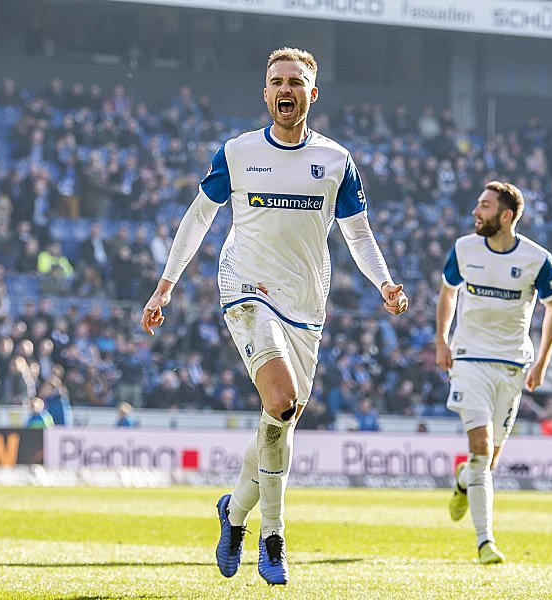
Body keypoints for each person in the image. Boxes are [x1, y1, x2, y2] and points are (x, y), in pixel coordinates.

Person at [139, 47, 408, 586]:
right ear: (265, 93)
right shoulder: (237, 153)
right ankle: (274, 535)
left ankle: (233, 513)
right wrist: (164, 287)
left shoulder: (336, 161)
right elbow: (198, 219)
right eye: (276, 81)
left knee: (279, 417)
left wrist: (384, 282)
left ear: (313, 94)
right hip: (246, 287)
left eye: (296, 81)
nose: (285, 89)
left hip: (306, 303)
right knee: (281, 400)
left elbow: (357, 233)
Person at [435, 181, 552, 564]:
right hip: (469, 359)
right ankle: (484, 541)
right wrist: (442, 339)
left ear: (506, 216)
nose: (477, 211)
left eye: (485, 206)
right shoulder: (464, 248)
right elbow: (448, 293)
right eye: (478, 204)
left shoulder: (537, 259)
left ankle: (462, 482)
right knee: (479, 449)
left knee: (487, 462)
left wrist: (542, 361)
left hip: (511, 365)